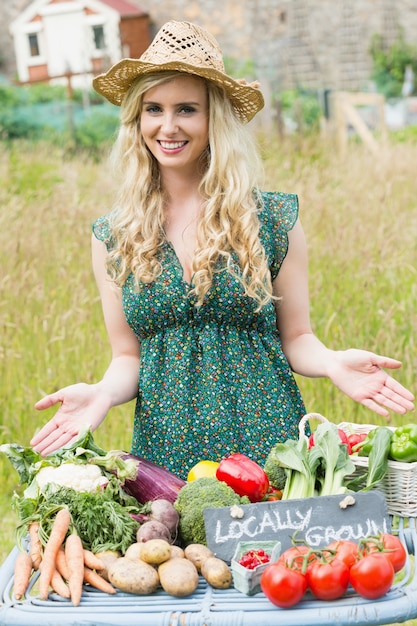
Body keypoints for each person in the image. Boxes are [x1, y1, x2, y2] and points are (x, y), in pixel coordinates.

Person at [30, 21, 414, 478]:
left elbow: (297, 339)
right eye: (154, 108)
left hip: (270, 449)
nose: (167, 126)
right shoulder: (115, 236)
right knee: (173, 552)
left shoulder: (269, 220)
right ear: (137, 118)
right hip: (167, 458)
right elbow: (127, 358)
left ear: (215, 118)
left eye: (187, 109)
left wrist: (332, 363)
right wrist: (101, 393)